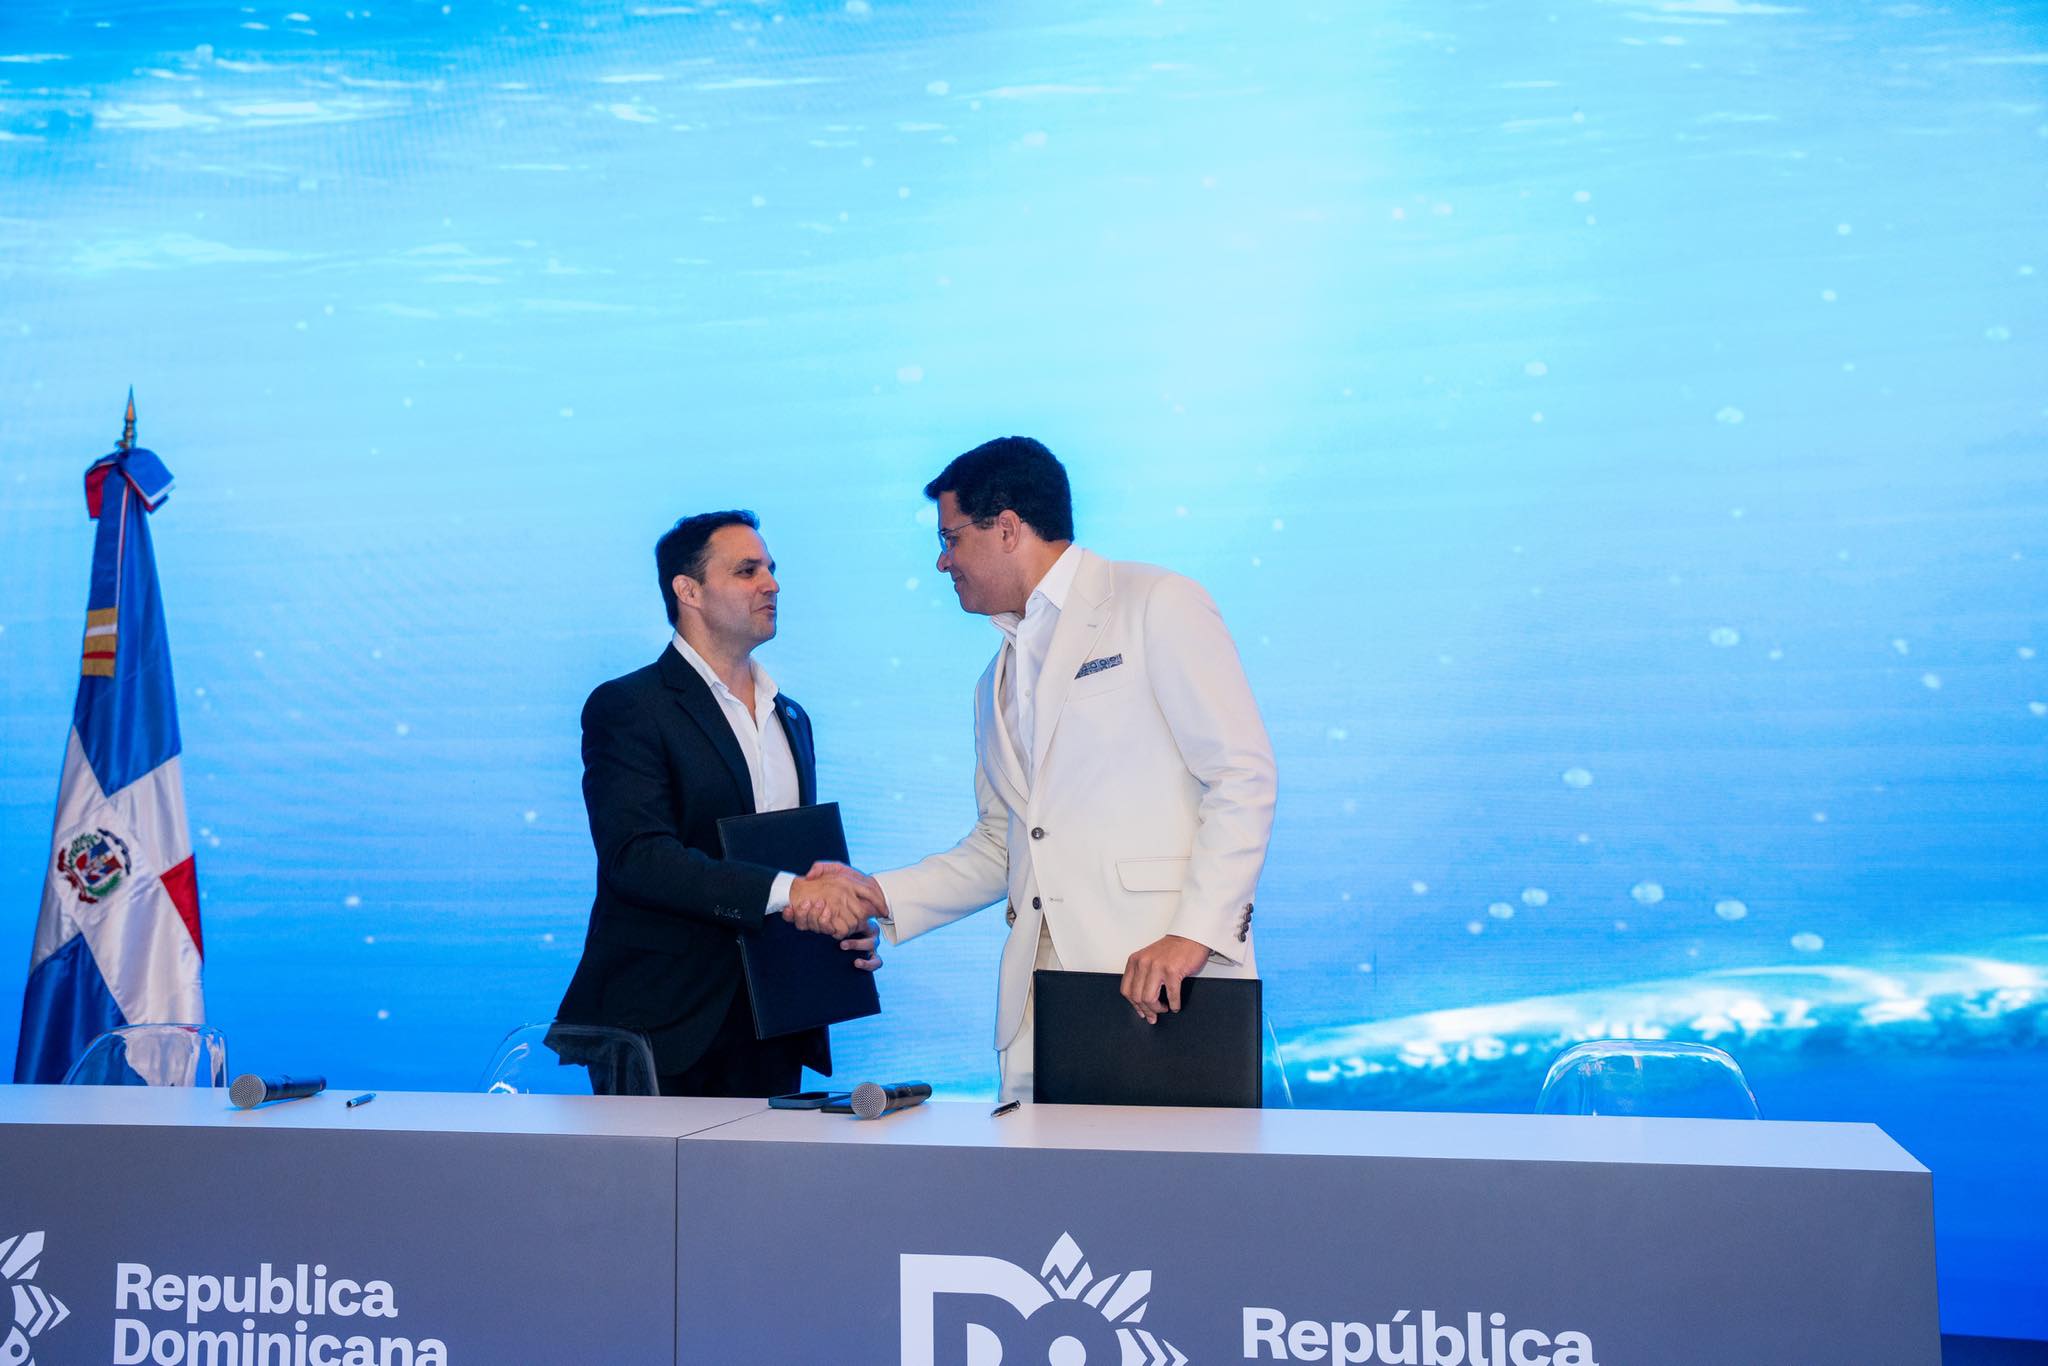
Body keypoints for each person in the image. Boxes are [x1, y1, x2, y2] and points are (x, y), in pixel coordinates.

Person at [858, 437, 1277, 1103]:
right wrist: (876, 895)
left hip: (1163, 987)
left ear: (1007, 528)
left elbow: (1241, 776)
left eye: (950, 538)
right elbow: (1005, 844)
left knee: (1174, 1172)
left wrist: (1193, 934)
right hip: (1038, 999)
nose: (942, 561)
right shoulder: (992, 681)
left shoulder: (1154, 601)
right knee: (1036, 1172)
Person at [556, 510, 883, 1098]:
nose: (771, 584)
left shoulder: (792, 716)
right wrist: (794, 892)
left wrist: (839, 920)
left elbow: (791, 864)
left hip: (776, 1015)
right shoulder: (629, 706)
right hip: (663, 1023)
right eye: (747, 570)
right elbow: (638, 858)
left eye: (771, 569)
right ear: (689, 591)